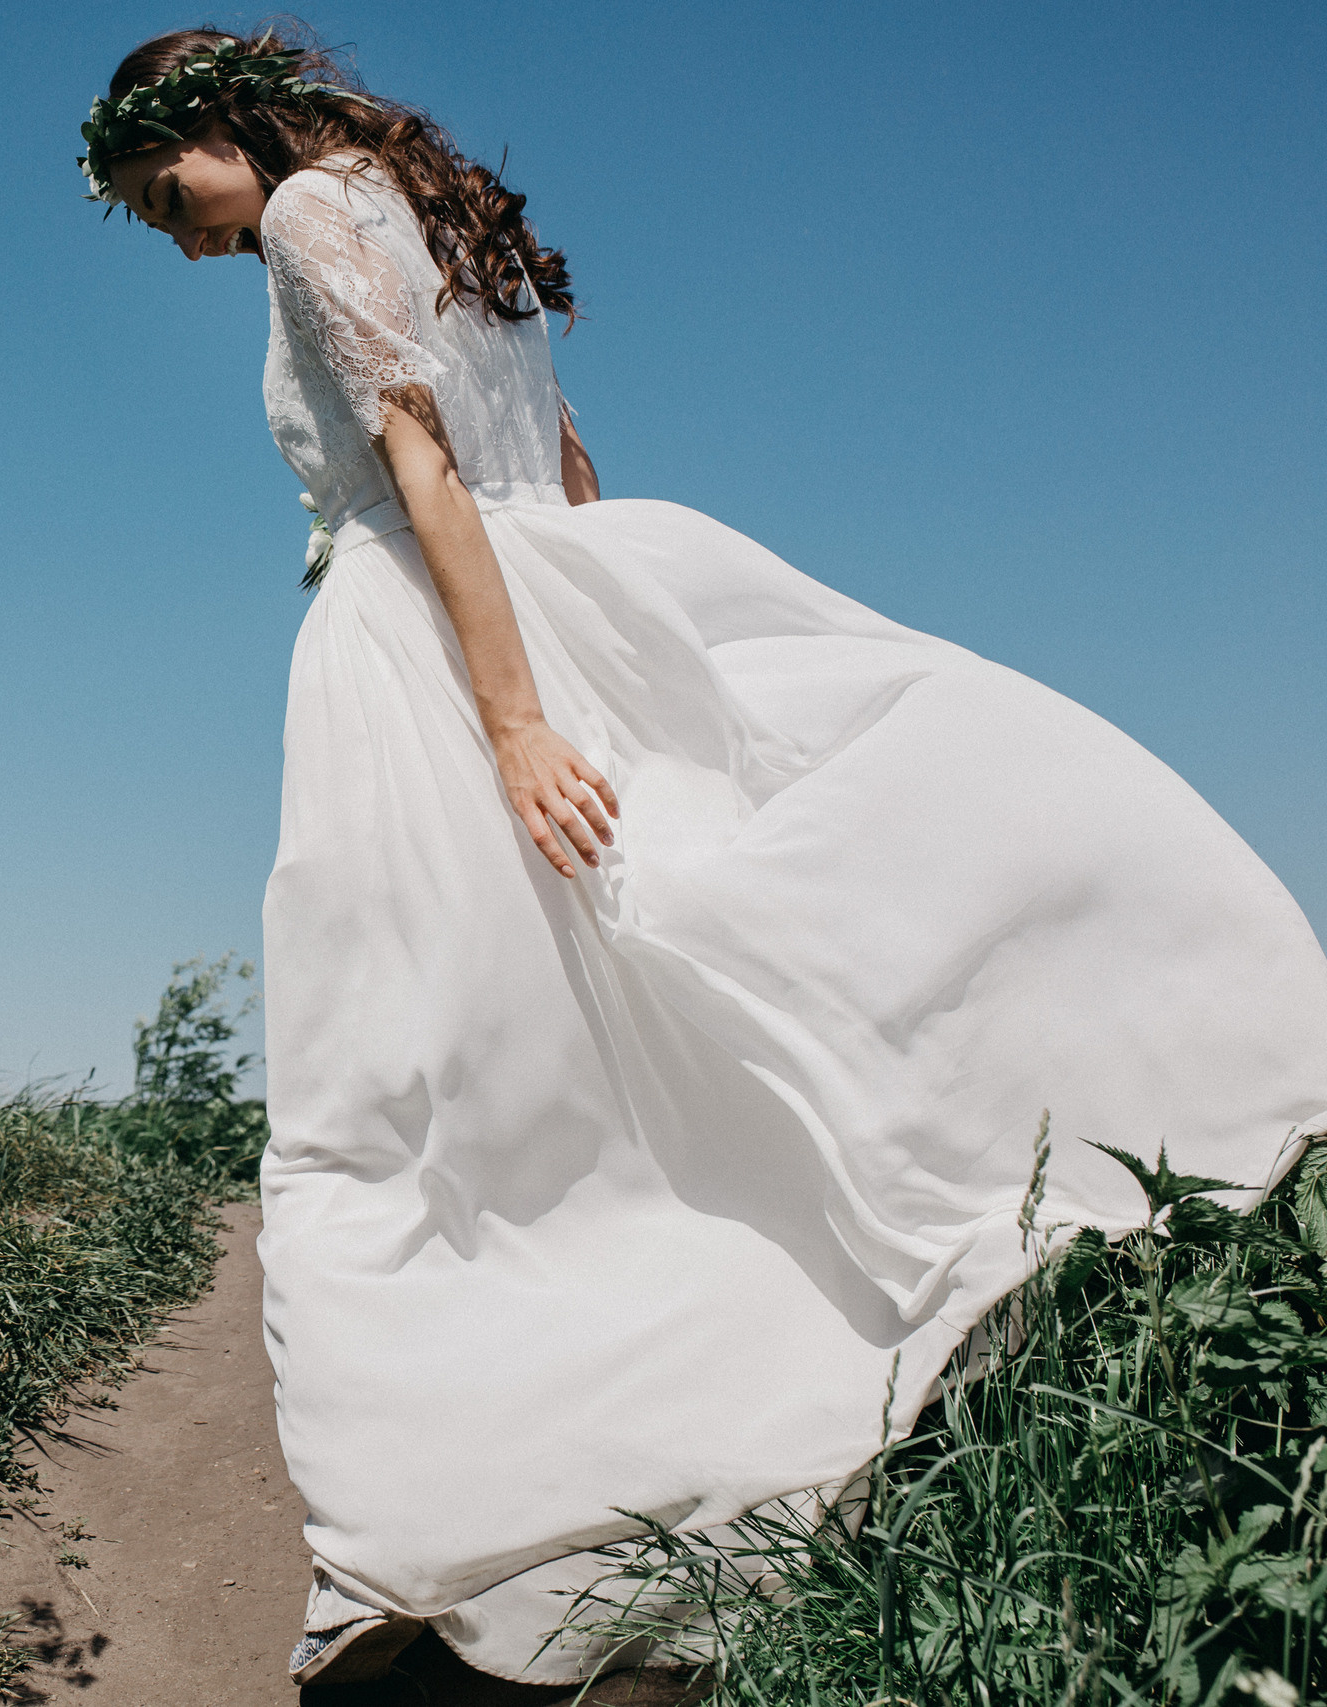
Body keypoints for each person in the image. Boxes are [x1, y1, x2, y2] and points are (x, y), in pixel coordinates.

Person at [77, 25, 1327, 1690]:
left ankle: (431, 1508)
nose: (181, 235)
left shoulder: (315, 216)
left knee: (404, 1093)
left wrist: (515, 721)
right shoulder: (445, 214)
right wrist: (607, 661)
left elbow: (423, 469)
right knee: (607, 1042)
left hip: (431, 650)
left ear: (221, 121)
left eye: (172, 194)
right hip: (555, 591)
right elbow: (568, 467)